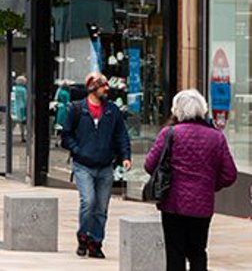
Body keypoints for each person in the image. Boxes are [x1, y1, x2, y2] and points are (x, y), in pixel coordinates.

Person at [143, 90, 238, 271]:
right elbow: (230, 174)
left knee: (175, 252)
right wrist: (210, 185)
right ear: (202, 110)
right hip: (202, 205)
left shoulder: (169, 133)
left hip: (173, 203)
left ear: (177, 110)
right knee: (198, 252)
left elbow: (149, 165)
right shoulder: (216, 137)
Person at [60, 72, 131, 259]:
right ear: (92, 87)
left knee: (101, 208)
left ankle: (96, 243)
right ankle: (83, 236)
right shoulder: (77, 109)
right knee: (88, 201)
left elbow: (121, 135)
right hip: (83, 165)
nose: (106, 89)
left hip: (106, 166)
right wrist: (77, 150)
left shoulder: (112, 110)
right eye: (102, 85)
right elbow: (66, 136)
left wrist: (125, 156)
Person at [10, 76, 29, 143]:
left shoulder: (14, 88)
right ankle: (22, 136)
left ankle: (9, 135)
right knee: (22, 124)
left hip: (14, 106)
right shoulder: (24, 90)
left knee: (13, 123)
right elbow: (26, 99)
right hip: (22, 107)